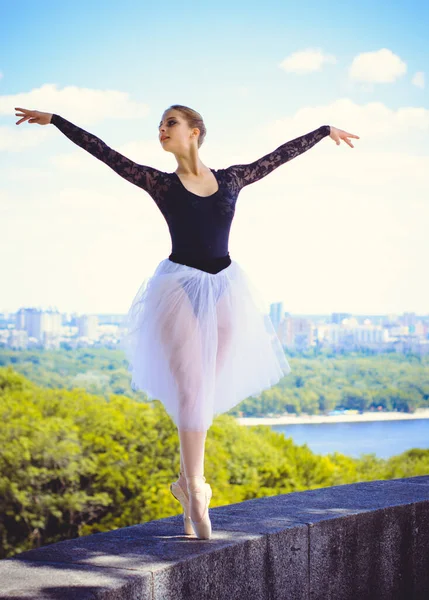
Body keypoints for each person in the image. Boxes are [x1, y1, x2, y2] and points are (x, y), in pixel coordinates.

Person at [14, 104, 359, 540]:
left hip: (225, 288)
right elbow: (102, 151)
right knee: (191, 387)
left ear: (195, 131)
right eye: (159, 126)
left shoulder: (232, 178)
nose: (161, 130)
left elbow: (279, 155)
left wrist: (324, 130)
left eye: (170, 123)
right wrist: (57, 121)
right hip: (178, 287)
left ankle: (184, 482)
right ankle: (196, 487)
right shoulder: (160, 183)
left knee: (203, 391)